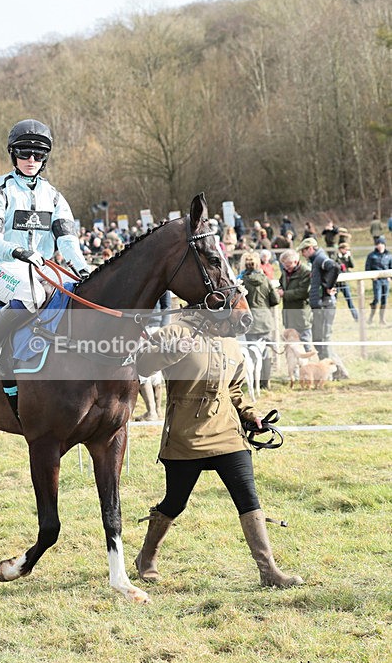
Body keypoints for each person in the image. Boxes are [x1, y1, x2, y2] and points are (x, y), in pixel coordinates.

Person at [134, 312, 303, 589]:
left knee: (248, 496)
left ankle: (269, 572)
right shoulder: (175, 331)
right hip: (185, 434)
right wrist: (171, 353)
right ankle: (146, 558)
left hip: (227, 431)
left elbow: (233, 390)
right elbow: (142, 364)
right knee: (175, 502)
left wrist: (250, 415)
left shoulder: (230, 341)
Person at [0, 119, 90, 376]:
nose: (31, 159)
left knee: (81, 292)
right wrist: (18, 251)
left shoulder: (55, 196)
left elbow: (67, 240)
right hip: (3, 268)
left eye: (38, 154)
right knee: (34, 294)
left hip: (42, 267)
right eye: (24, 153)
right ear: (13, 154)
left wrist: (82, 268)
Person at [240, 251, 280, 389]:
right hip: (265, 321)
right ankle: (265, 382)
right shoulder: (265, 279)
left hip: (249, 321)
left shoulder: (242, 282)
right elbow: (275, 300)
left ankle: (255, 382)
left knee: (252, 351)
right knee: (265, 351)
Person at [297, 238, 340, 358]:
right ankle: (332, 368)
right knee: (317, 338)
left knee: (323, 339)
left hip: (325, 304)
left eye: (303, 251)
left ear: (310, 248)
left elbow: (335, 267)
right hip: (319, 305)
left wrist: (328, 286)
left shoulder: (320, 258)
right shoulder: (316, 260)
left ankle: (331, 371)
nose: (302, 255)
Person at [277, 249, 313, 347]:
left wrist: (284, 294)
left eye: (288, 265)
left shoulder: (306, 272)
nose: (286, 268)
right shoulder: (285, 271)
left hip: (301, 316)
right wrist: (279, 289)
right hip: (288, 316)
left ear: (296, 262)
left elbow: (303, 292)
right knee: (290, 347)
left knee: (305, 344)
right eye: (284, 265)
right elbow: (281, 284)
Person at [365, 237, 392, 325]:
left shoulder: (389, 255)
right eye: (378, 244)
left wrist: (390, 277)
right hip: (377, 281)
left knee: (384, 299)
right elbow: (367, 268)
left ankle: (382, 319)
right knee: (377, 298)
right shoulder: (371, 255)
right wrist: (373, 277)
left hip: (386, 280)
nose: (380, 246)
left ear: (384, 245)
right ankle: (371, 317)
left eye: (381, 244)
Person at [335, 243, 358, 321]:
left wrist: (349, 257)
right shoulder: (336, 257)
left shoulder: (347, 257)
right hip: (336, 283)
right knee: (333, 301)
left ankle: (356, 317)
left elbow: (352, 265)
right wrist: (339, 257)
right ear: (340, 249)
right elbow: (335, 264)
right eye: (345, 249)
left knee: (349, 300)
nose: (346, 251)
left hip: (344, 282)